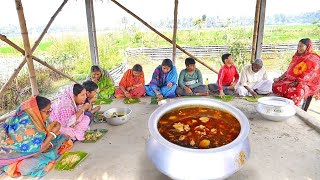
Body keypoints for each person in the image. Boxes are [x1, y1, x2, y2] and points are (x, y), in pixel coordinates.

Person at [0, 96, 71, 177]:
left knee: (61, 138)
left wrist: (51, 132)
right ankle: (10, 165)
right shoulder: (26, 126)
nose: (49, 114)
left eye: (50, 110)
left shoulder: (36, 118)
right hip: (7, 152)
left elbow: (43, 136)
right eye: (47, 111)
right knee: (29, 165)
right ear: (36, 111)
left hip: (31, 148)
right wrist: (52, 134)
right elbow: (36, 153)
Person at [272, 38, 320, 106]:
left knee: (297, 92)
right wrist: (279, 78)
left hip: (306, 83)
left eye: (301, 46)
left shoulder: (313, 58)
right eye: (298, 46)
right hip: (291, 80)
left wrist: (297, 82)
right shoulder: (297, 56)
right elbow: (289, 71)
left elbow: (311, 74)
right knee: (275, 85)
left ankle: (293, 109)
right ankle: (280, 105)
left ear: (307, 47)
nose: (298, 48)